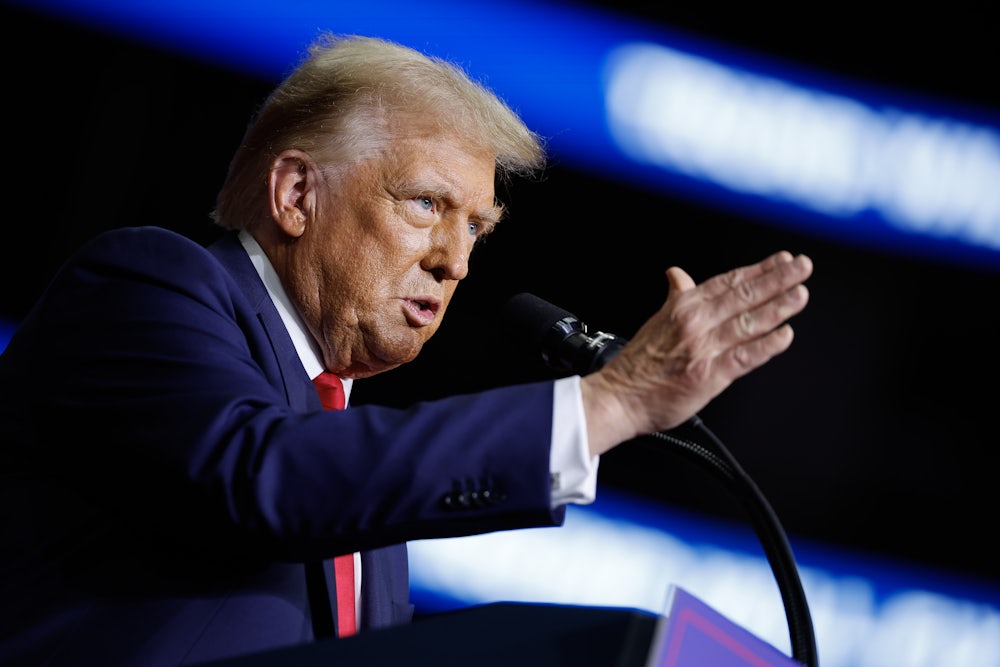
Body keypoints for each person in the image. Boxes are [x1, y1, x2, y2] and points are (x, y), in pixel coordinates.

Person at [0, 32, 812, 667]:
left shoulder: (366, 495)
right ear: (296, 193)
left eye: (476, 228)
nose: (456, 262)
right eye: (426, 203)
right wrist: (610, 402)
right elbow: (263, 472)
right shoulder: (144, 286)